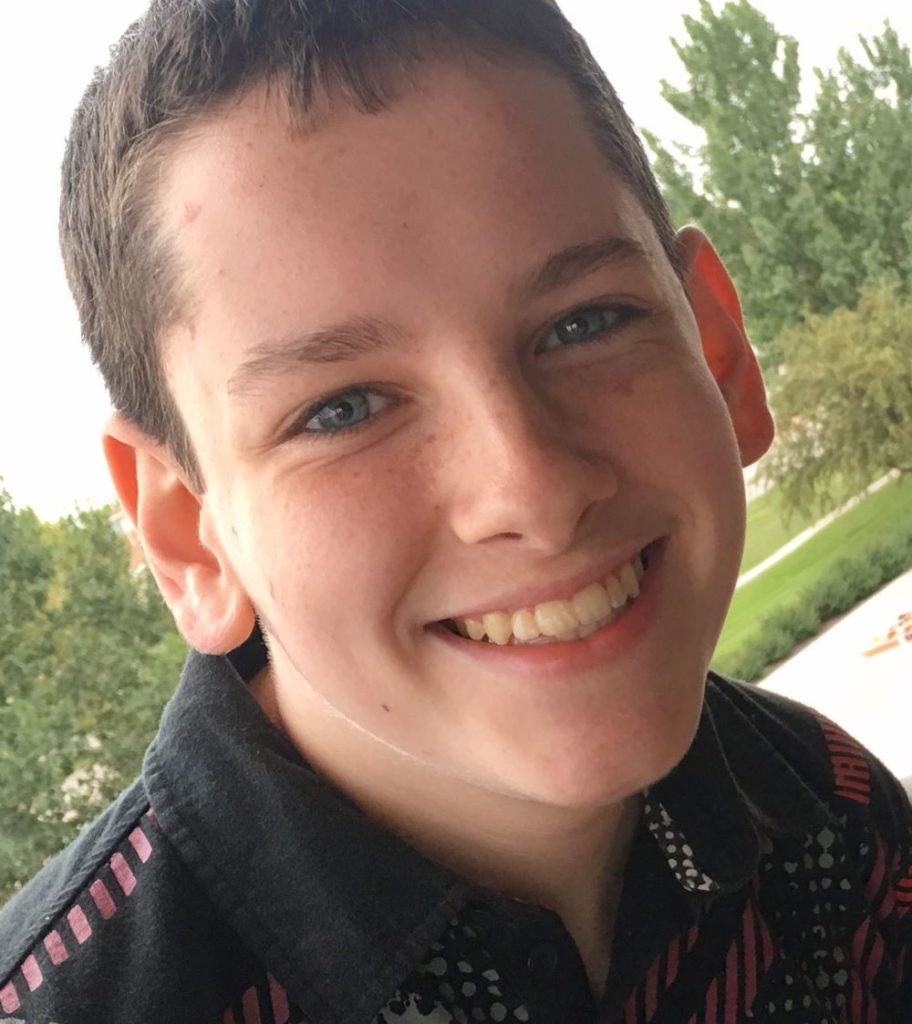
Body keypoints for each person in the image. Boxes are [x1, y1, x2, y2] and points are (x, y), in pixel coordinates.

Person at [1, 1, 910, 1020]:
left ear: (719, 352)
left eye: (586, 321)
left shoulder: (837, 824)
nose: (534, 489)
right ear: (187, 539)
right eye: (341, 409)